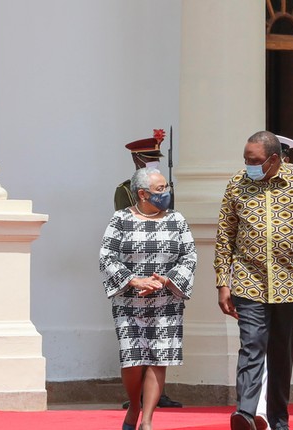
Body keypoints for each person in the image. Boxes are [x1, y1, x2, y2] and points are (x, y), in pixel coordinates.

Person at [214, 131, 293, 430]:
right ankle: (244, 413)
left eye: (254, 161)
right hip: (248, 280)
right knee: (251, 345)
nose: (248, 166)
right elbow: (225, 236)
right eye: (245, 160)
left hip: (289, 282)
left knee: (281, 354)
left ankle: (279, 421)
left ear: (273, 159)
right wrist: (222, 282)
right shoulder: (237, 185)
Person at [100, 167, 197, 430]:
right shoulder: (120, 219)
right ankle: (134, 404)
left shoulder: (177, 220)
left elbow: (189, 257)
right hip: (129, 300)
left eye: (166, 188)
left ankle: (148, 420)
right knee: (132, 358)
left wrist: (165, 280)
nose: (166, 193)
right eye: (160, 189)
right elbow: (107, 257)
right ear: (142, 194)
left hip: (166, 299)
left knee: (158, 358)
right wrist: (135, 280)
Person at [115, 131, 183, 409]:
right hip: (136, 274)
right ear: (136, 158)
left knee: (160, 347)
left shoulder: (167, 189)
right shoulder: (124, 190)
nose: (152, 163)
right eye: (148, 159)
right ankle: (136, 400)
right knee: (135, 347)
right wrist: (136, 279)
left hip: (162, 277)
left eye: (155, 159)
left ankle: (156, 397)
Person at [115, 129, 174, 211]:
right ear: (136, 159)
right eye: (150, 159)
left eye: (157, 159)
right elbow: (124, 221)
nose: (156, 162)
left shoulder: (164, 187)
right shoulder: (125, 190)